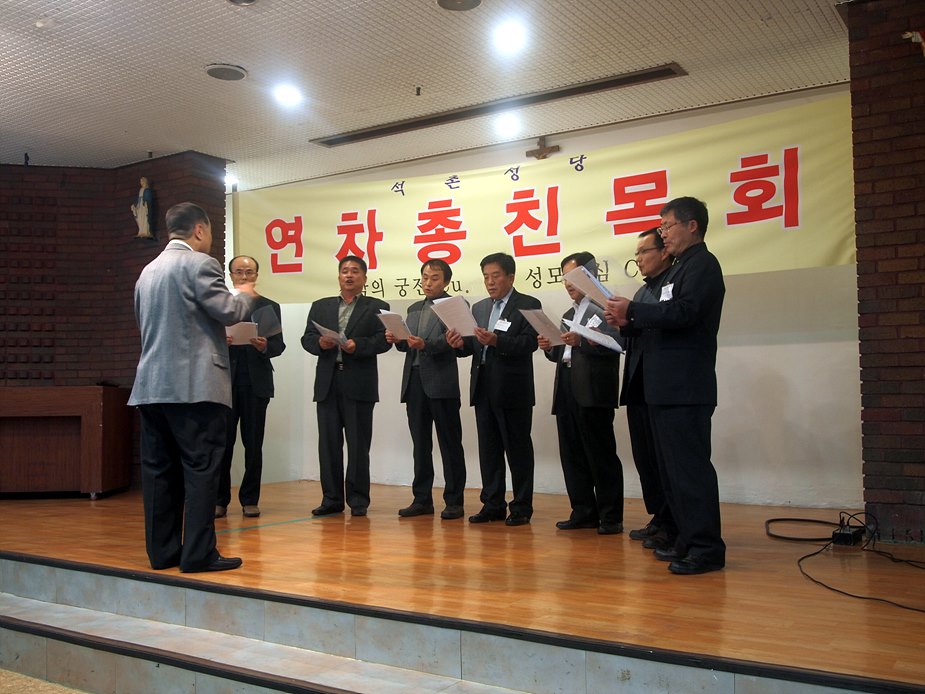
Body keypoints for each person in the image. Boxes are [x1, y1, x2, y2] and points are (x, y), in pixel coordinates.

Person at [128, 202, 256, 573]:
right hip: (195, 388)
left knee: (159, 472)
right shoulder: (200, 264)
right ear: (199, 229)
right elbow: (230, 312)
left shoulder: (147, 272)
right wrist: (245, 293)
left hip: (151, 386)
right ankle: (199, 553)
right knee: (201, 469)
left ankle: (163, 552)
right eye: (210, 231)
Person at [605, 196, 726, 575]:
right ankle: (686, 540)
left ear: (692, 226)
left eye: (667, 226)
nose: (664, 233)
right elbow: (664, 318)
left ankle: (706, 549)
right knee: (673, 473)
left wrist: (634, 311)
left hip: (684, 387)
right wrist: (628, 321)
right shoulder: (679, 269)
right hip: (664, 388)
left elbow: (686, 312)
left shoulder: (703, 264)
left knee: (690, 472)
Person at [446, 252, 540, 526]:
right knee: (489, 449)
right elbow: (472, 346)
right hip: (483, 385)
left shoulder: (528, 304)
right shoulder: (479, 308)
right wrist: (459, 345)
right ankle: (493, 504)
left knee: (517, 449)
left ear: (510, 276)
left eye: (495, 276)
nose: (490, 282)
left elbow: (530, 343)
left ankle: (521, 507)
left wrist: (498, 341)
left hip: (513, 388)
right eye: (486, 277)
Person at [538, 252, 624, 535]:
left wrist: (583, 342)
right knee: (572, 453)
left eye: (573, 277)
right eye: (564, 278)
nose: (567, 284)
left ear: (591, 275)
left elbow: (618, 344)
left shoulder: (607, 307)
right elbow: (562, 354)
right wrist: (550, 347)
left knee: (600, 454)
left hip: (594, 389)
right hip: (566, 386)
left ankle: (610, 516)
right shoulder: (567, 314)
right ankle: (583, 511)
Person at [301, 255, 391, 517]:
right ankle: (331, 499)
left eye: (355, 271)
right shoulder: (321, 306)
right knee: (328, 444)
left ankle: (358, 500)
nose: (349, 275)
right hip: (328, 383)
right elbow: (307, 338)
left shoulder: (377, 307)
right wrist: (320, 344)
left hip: (359, 382)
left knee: (358, 445)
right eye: (344, 271)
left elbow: (383, 341)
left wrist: (357, 346)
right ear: (339, 276)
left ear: (364, 277)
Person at [386, 259, 467, 520]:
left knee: (449, 444)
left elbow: (454, 341)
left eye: (434, 278)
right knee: (420, 445)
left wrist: (426, 345)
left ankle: (454, 501)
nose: (428, 282)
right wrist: (397, 339)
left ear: (446, 282)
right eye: (424, 277)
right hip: (414, 382)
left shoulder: (455, 306)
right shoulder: (414, 308)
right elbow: (408, 344)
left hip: (441, 383)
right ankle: (422, 499)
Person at [216, 255, 286, 520]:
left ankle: (250, 500)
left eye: (249, 272)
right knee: (222, 444)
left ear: (256, 275)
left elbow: (278, 345)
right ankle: (219, 500)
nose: (244, 276)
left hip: (256, 383)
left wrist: (265, 345)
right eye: (239, 272)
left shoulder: (268, 306)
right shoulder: (220, 305)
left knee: (253, 444)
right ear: (230, 275)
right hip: (223, 382)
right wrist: (220, 341)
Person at [620, 228, 678, 550]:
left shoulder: (673, 284)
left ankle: (672, 522)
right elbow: (635, 331)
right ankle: (658, 516)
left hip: (662, 385)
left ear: (664, 251)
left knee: (664, 458)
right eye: (637, 253)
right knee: (645, 457)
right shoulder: (643, 291)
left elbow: (669, 322)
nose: (639, 259)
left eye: (644, 252)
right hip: (638, 384)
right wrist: (621, 323)